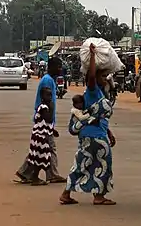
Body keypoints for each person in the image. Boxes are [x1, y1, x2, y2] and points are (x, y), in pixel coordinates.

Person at [60, 43, 116, 205]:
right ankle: (99, 196)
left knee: (82, 163)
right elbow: (91, 77)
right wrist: (92, 56)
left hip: (92, 134)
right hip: (94, 136)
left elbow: (97, 116)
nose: (105, 79)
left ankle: (66, 194)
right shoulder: (92, 90)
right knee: (104, 163)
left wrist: (109, 132)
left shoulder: (97, 92)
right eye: (103, 76)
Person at [15, 57, 66, 184]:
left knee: (38, 149)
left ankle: (25, 172)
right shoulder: (47, 81)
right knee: (47, 149)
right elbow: (46, 103)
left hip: (46, 122)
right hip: (43, 121)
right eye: (58, 66)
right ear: (51, 67)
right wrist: (48, 124)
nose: (60, 69)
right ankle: (51, 174)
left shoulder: (51, 80)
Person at [27, 87, 54, 185]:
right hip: (39, 136)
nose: (50, 97)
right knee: (40, 157)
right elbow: (49, 119)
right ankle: (34, 178)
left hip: (41, 134)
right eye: (47, 95)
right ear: (42, 96)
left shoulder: (45, 106)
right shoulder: (43, 107)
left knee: (40, 157)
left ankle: (34, 177)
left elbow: (44, 123)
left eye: (51, 95)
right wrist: (51, 108)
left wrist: (52, 131)